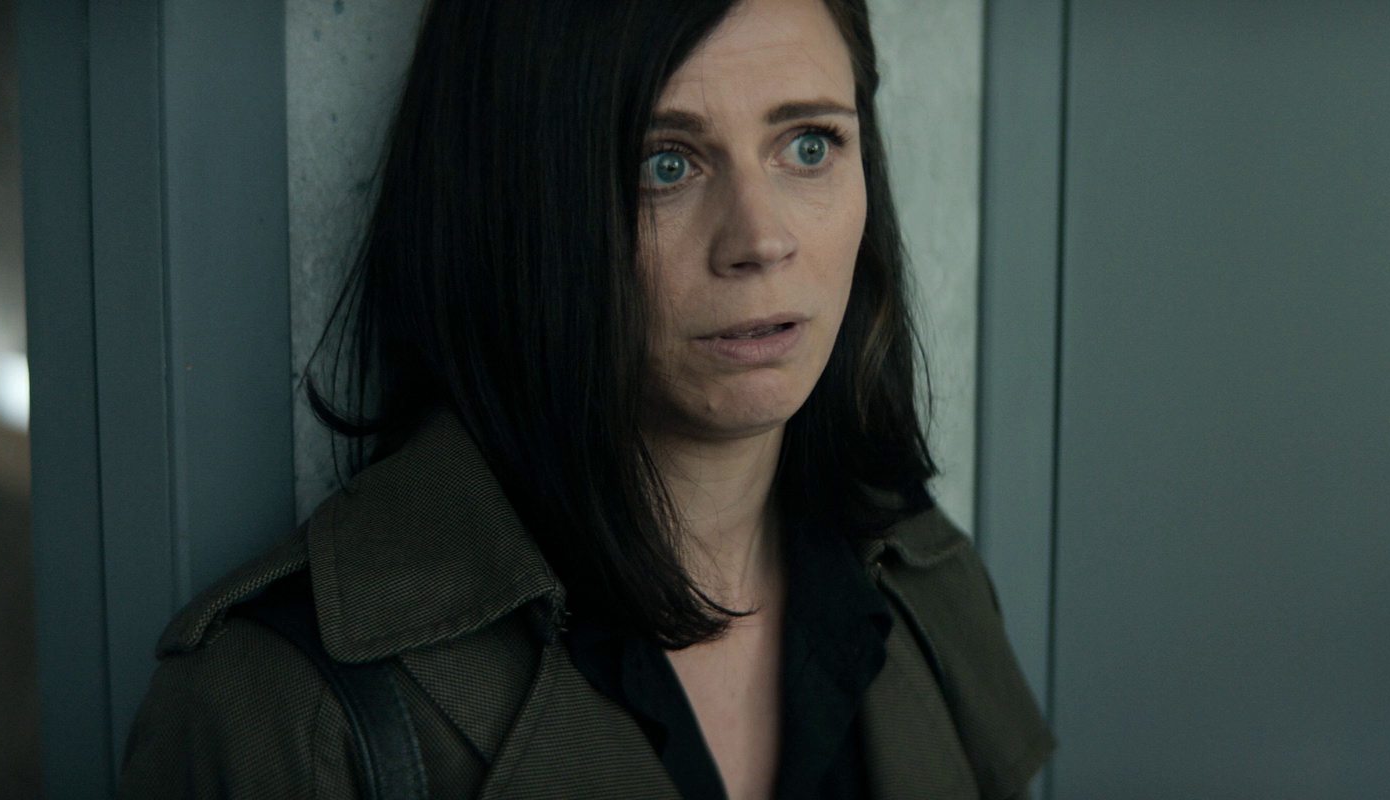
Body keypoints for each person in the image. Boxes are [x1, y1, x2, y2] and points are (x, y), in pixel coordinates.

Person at [116, 0, 1052, 797]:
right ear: (518, 202)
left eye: (809, 144)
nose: (761, 240)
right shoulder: (287, 707)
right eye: (665, 163)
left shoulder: (924, 581)